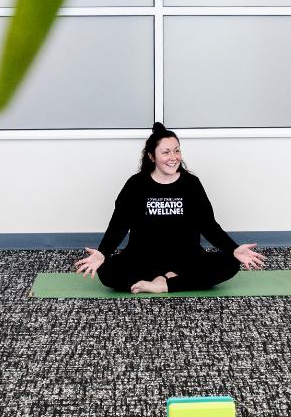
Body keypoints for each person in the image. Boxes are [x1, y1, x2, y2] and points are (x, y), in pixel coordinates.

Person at [72, 123, 266, 293]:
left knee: (231, 264)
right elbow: (119, 225)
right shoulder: (136, 185)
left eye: (177, 150)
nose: (173, 157)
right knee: (106, 272)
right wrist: (102, 252)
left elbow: (208, 226)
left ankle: (163, 284)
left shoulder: (191, 184)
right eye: (166, 152)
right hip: (143, 258)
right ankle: (172, 280)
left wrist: (234, 248)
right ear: (151, 156)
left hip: (186, 258)